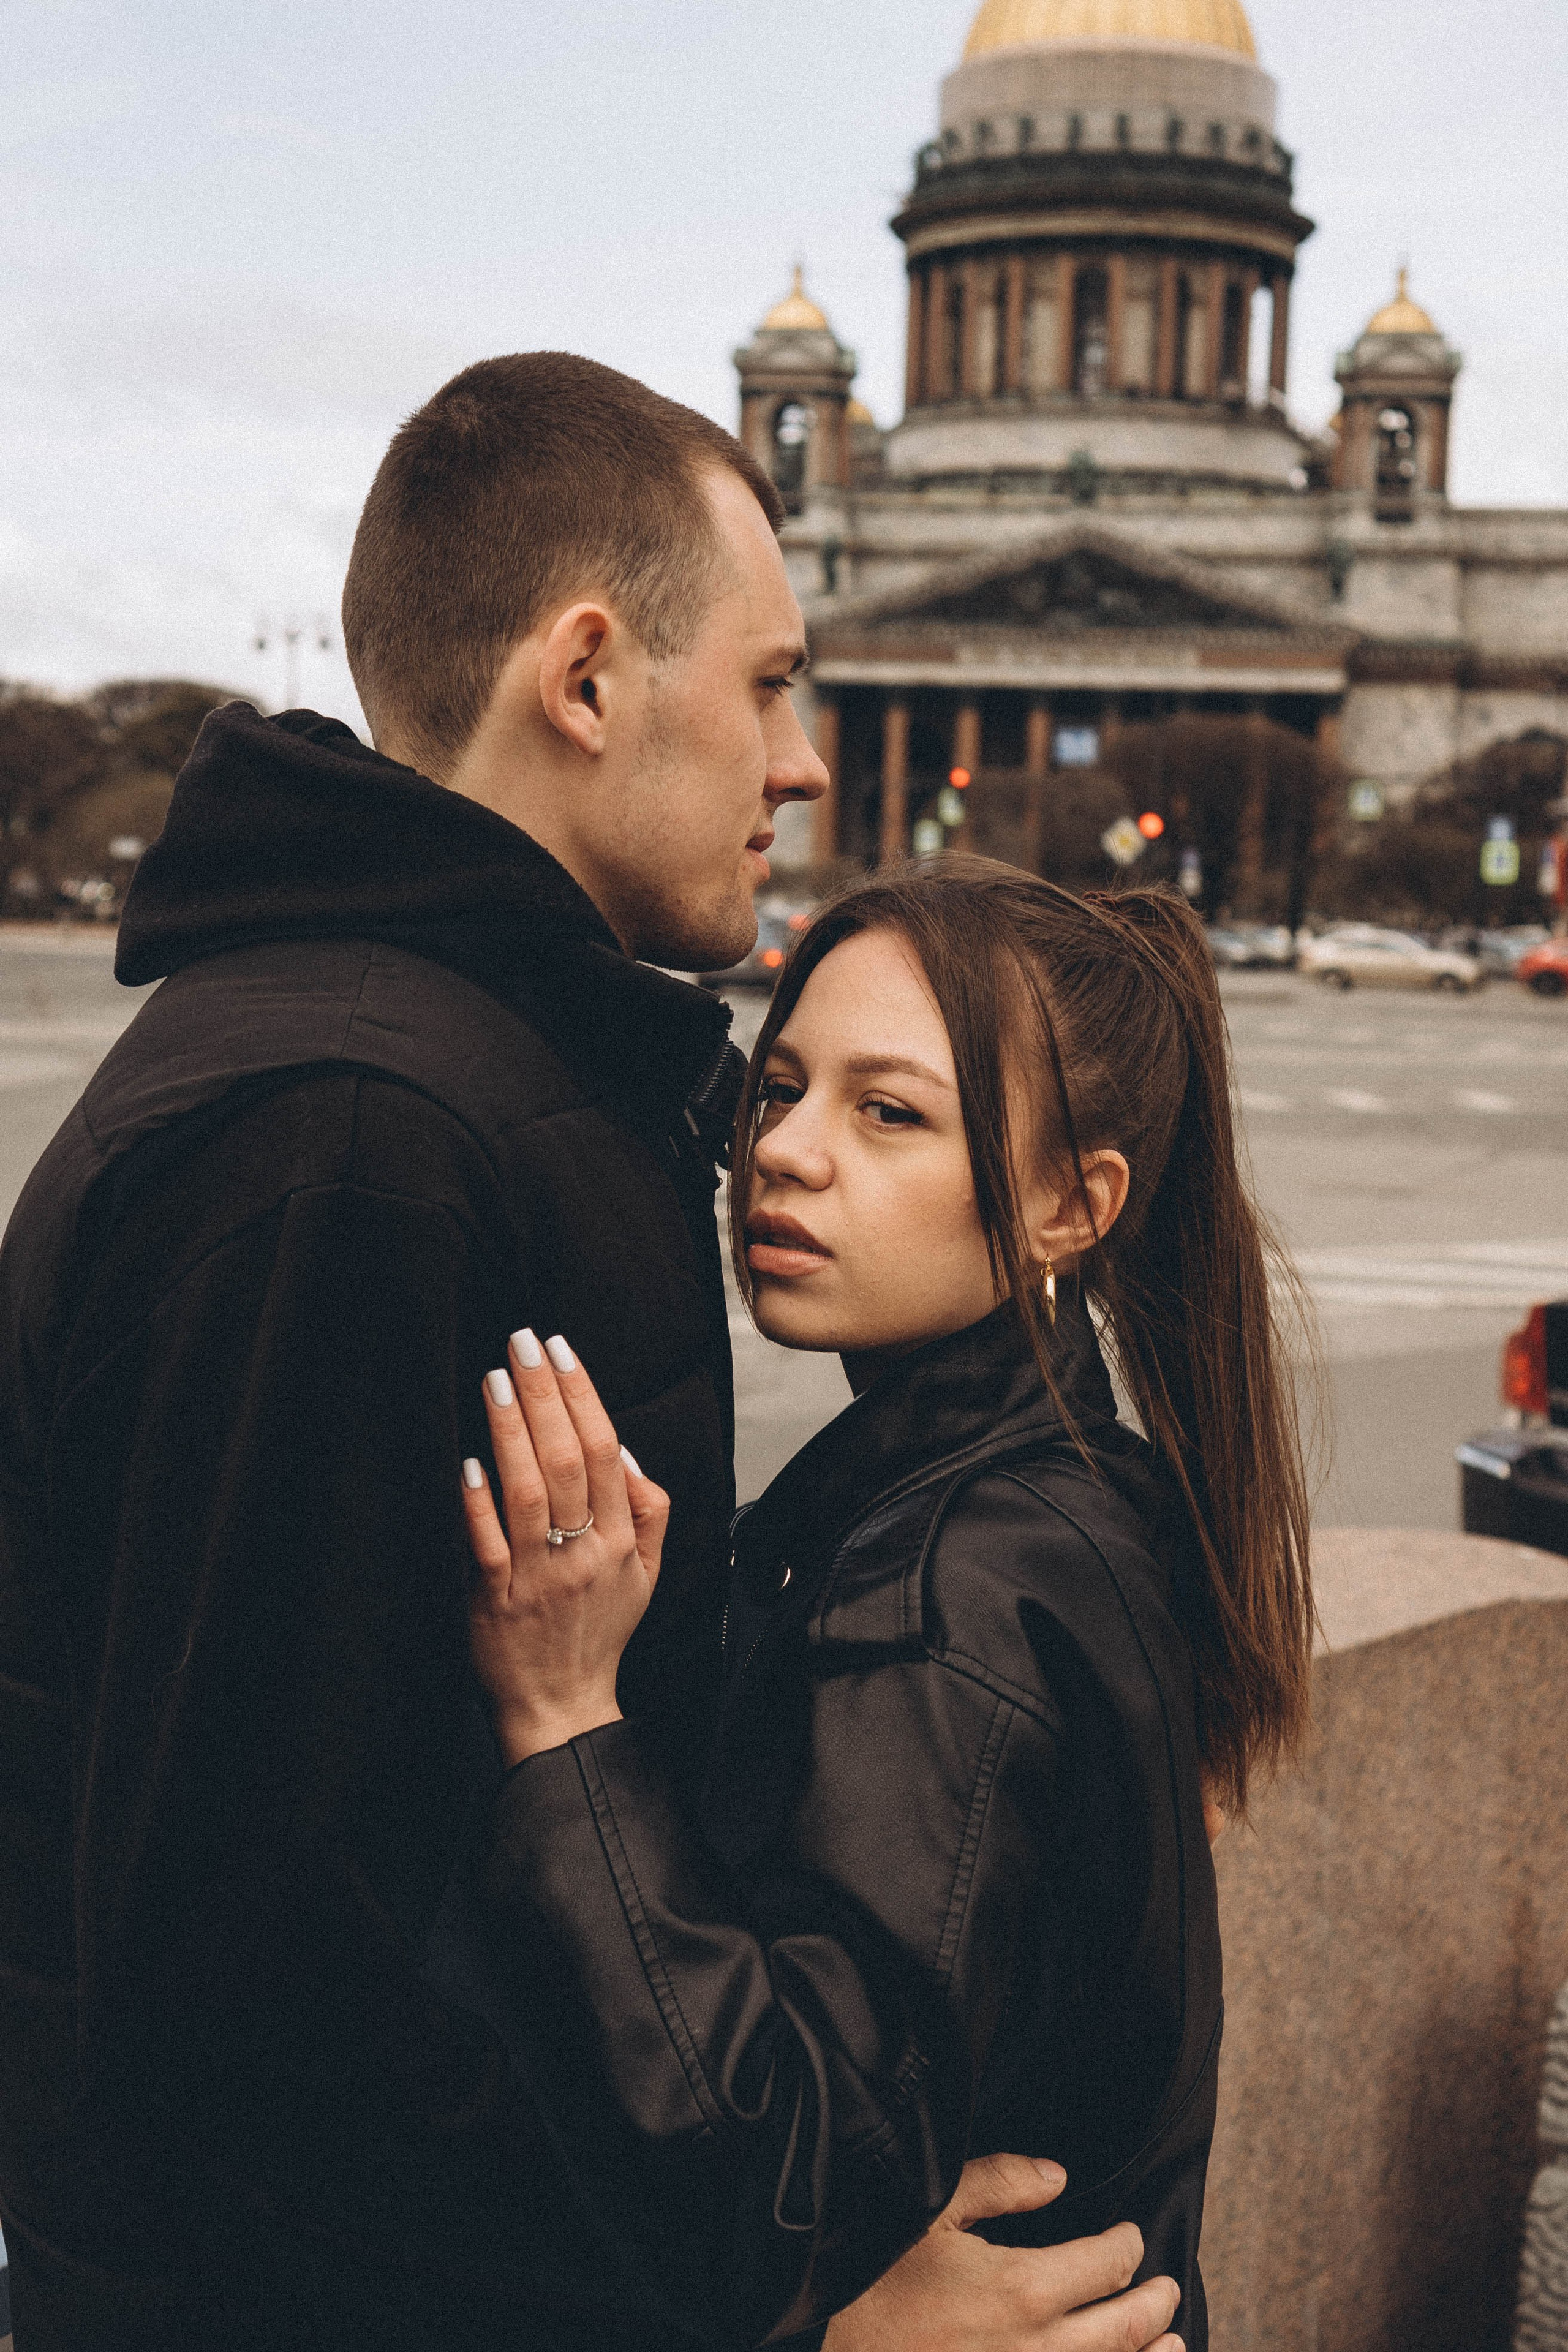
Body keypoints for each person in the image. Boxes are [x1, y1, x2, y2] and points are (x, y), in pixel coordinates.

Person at [0, 354, 1185, 2350]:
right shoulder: (362, 1138)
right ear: (586, 675)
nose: (805, 764)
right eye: (774, 683)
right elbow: (256, 1989)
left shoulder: (450, 1076)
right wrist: (782, 2317)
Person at [456, 861, 1318, 2350]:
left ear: (1068, 1206)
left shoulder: (949, 1589)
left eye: (888, 1112)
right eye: (778, 1088)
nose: (783, 1152)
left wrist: (563, 1715)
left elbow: (777, 2176)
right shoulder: (1063, 1488)